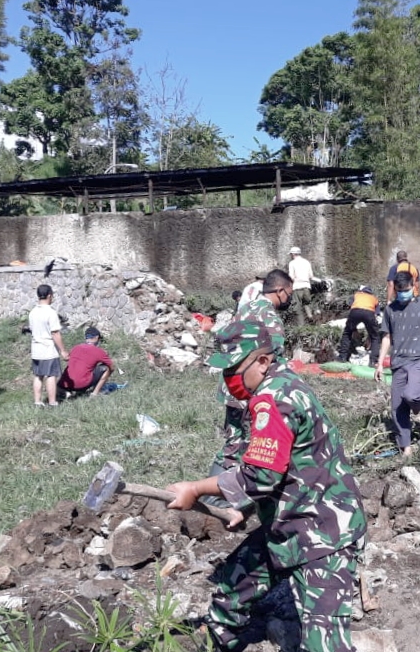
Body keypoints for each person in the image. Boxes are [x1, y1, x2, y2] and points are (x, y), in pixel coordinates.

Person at [166, 320, 366, 652]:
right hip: (289, 522)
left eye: (234, 368)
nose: (228, 377)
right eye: (224, 369)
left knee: (324, 644)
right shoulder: (278, 387)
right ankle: (212, 641)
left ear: (262, 362)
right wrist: (241, 505)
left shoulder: (274, 399)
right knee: (233, 585)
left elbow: (260, 476)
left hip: (324, 533)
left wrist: (196, 488)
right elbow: (273, 464)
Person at [203, 269, 294, 516]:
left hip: (232, 384)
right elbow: (272, 360)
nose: (289, 299)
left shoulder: (245, 308)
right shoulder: (271, 318)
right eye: (290, 294)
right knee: (254, 444)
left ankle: (211, 498)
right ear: (281, 291)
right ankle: (231, 502)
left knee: (232, 441)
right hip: (250, 389)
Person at [375, 271, 420, 457]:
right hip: (398, 361)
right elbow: (387, 338)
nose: (403, 293)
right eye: (399, 290)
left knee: (412, 395)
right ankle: (406, 448)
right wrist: (380, 363)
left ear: (414, 287)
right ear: (394, 289)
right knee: (397, 407)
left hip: (419, 358)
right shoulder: (390, 310)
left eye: (406, 290)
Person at [29, 284, 69, 407]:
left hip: (36, 349)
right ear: (50, 295)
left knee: (38, 376)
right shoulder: (51, 313)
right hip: (48, 349)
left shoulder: (33, 312)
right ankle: (52, 402)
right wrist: (63, 350)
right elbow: (55, 333)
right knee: (51, 375)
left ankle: (37, 401)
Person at [58, 327, 114, 396]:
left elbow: (68, 359)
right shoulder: (99, 352)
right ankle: (95, 393)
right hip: (81, 385)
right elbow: (112, 367)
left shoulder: (76, 347)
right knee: (106, 368)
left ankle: (65, 392)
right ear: (96, 338)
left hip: (64, 384)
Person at [337, 285, 380, 367]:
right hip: (369, 313)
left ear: (361, 291)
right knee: (375, 337)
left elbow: (349, 304)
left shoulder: (356, 294)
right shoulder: (374, 298)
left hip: (355, 311)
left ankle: (342, 357)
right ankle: (373, 361)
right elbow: (377, 313)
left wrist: (353, 328)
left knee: (347, 333)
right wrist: (371, 333)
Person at [287, 246, 315, 325]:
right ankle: (310, 316)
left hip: (297, 287)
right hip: (306, 286)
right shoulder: (306, 262)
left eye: (291, 254)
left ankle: (301, 326)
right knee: (307, 303)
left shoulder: (292, 263)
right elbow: (311, 276)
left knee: (297, 307)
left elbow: (291, 277)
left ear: (293, 254)